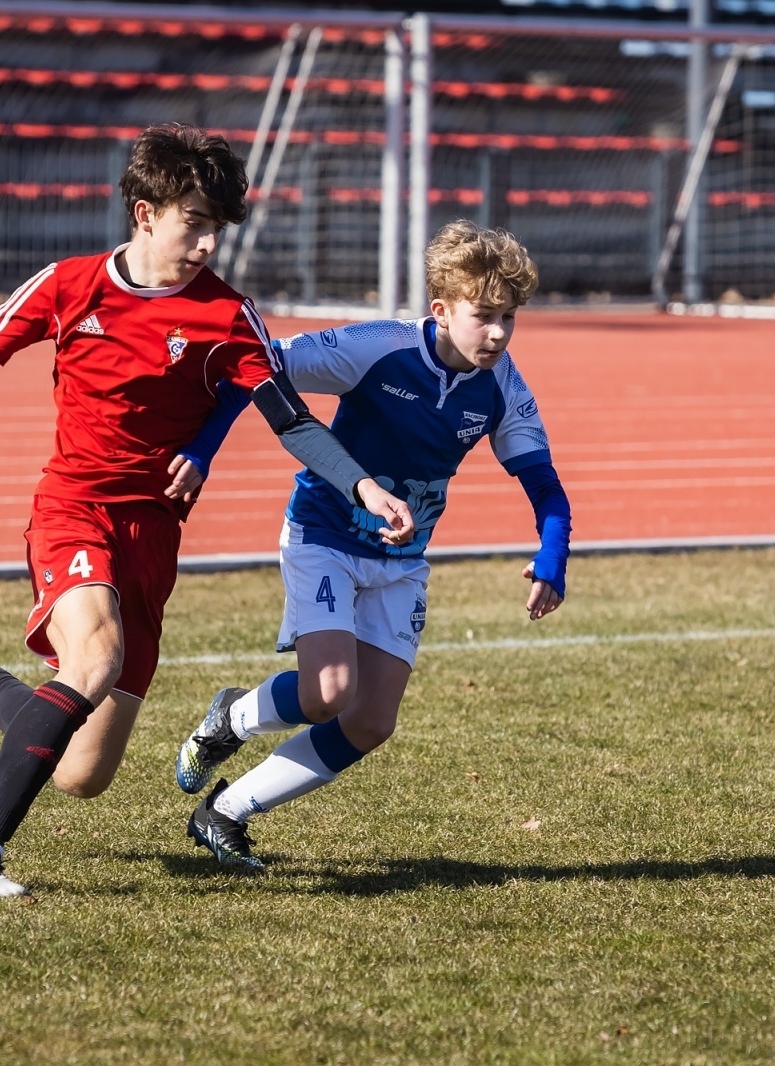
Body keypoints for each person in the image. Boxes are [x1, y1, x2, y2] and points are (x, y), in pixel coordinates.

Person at [0, 123, 413, 898]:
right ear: (145, 213)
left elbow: (290, 418)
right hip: (74, 507)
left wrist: (361, 485)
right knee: (96, 660)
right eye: (195, 223)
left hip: (152, 537)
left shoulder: (228, 317)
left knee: (82, 773)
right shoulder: (69, 285)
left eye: (218, 228)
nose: (209, 244)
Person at [173, 220, 572, 872]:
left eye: (509, 318)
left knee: (369, 722)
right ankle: (230, 720)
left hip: (401, 564)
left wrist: (552, 556)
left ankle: (225, 812)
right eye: (484, 317)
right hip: (324, 535)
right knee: (328, 690)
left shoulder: (503, 388)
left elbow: (547, 489)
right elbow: (258, 368)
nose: (498, 333)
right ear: (441, 309)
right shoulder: (377, 349)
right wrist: (201, 450)